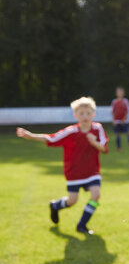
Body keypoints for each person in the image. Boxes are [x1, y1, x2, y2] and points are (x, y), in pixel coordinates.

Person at [16, 97, 108, 234]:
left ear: (93, 114)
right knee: (72, 201)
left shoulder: (98, 128)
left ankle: (82, 225)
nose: (85, 116)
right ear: (75, 115)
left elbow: (104, 149)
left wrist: (94, 143)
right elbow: (51, 138)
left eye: (88, 113)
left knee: (96, 195)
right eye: (81, 113)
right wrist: (30, 136)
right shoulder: (71, 131)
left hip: (92, 171)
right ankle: (55, 206)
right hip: (74, 172)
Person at [111, 86, 129, 151]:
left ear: (123, 93)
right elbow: (113, 111)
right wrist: (113, 120)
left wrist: (123, 119)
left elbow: (127, 110)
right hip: (117, 121)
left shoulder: (125, 101)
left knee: (128, 133)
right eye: (118, 92)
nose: (119, 93)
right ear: (116, 93)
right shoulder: (114, 101)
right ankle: (119, 148)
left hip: (124, 121)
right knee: (117, 134)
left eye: (121, 92)